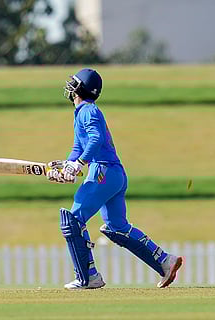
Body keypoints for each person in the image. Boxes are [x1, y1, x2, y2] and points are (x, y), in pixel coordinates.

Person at [46, 68, 182, 289]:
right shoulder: (83, 112)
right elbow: (79, 147)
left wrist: (78, 164)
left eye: (73, 83)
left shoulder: (87, 110)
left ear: (79, 88)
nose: (69, 87)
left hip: (103, 171)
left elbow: (96, 139)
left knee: (73, 220)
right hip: (114, 174)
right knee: (116, 226)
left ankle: (88, 276)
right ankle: (165, 260)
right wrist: (66, 167)